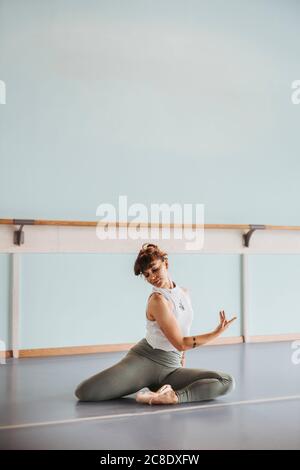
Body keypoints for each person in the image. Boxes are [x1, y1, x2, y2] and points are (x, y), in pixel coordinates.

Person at [75, 243, 237, 405]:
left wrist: (182, 358)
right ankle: (146, 384)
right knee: (84, 392)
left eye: (155, 269)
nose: (152, 277)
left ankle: (169, 396)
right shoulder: (158, 300)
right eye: (147, 275)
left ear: (166, 263)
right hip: (144, 362)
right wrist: (216, 333)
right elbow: (180, 343)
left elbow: (182, 332)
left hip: (171, 368)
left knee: (226, 381)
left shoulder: (184, 294)